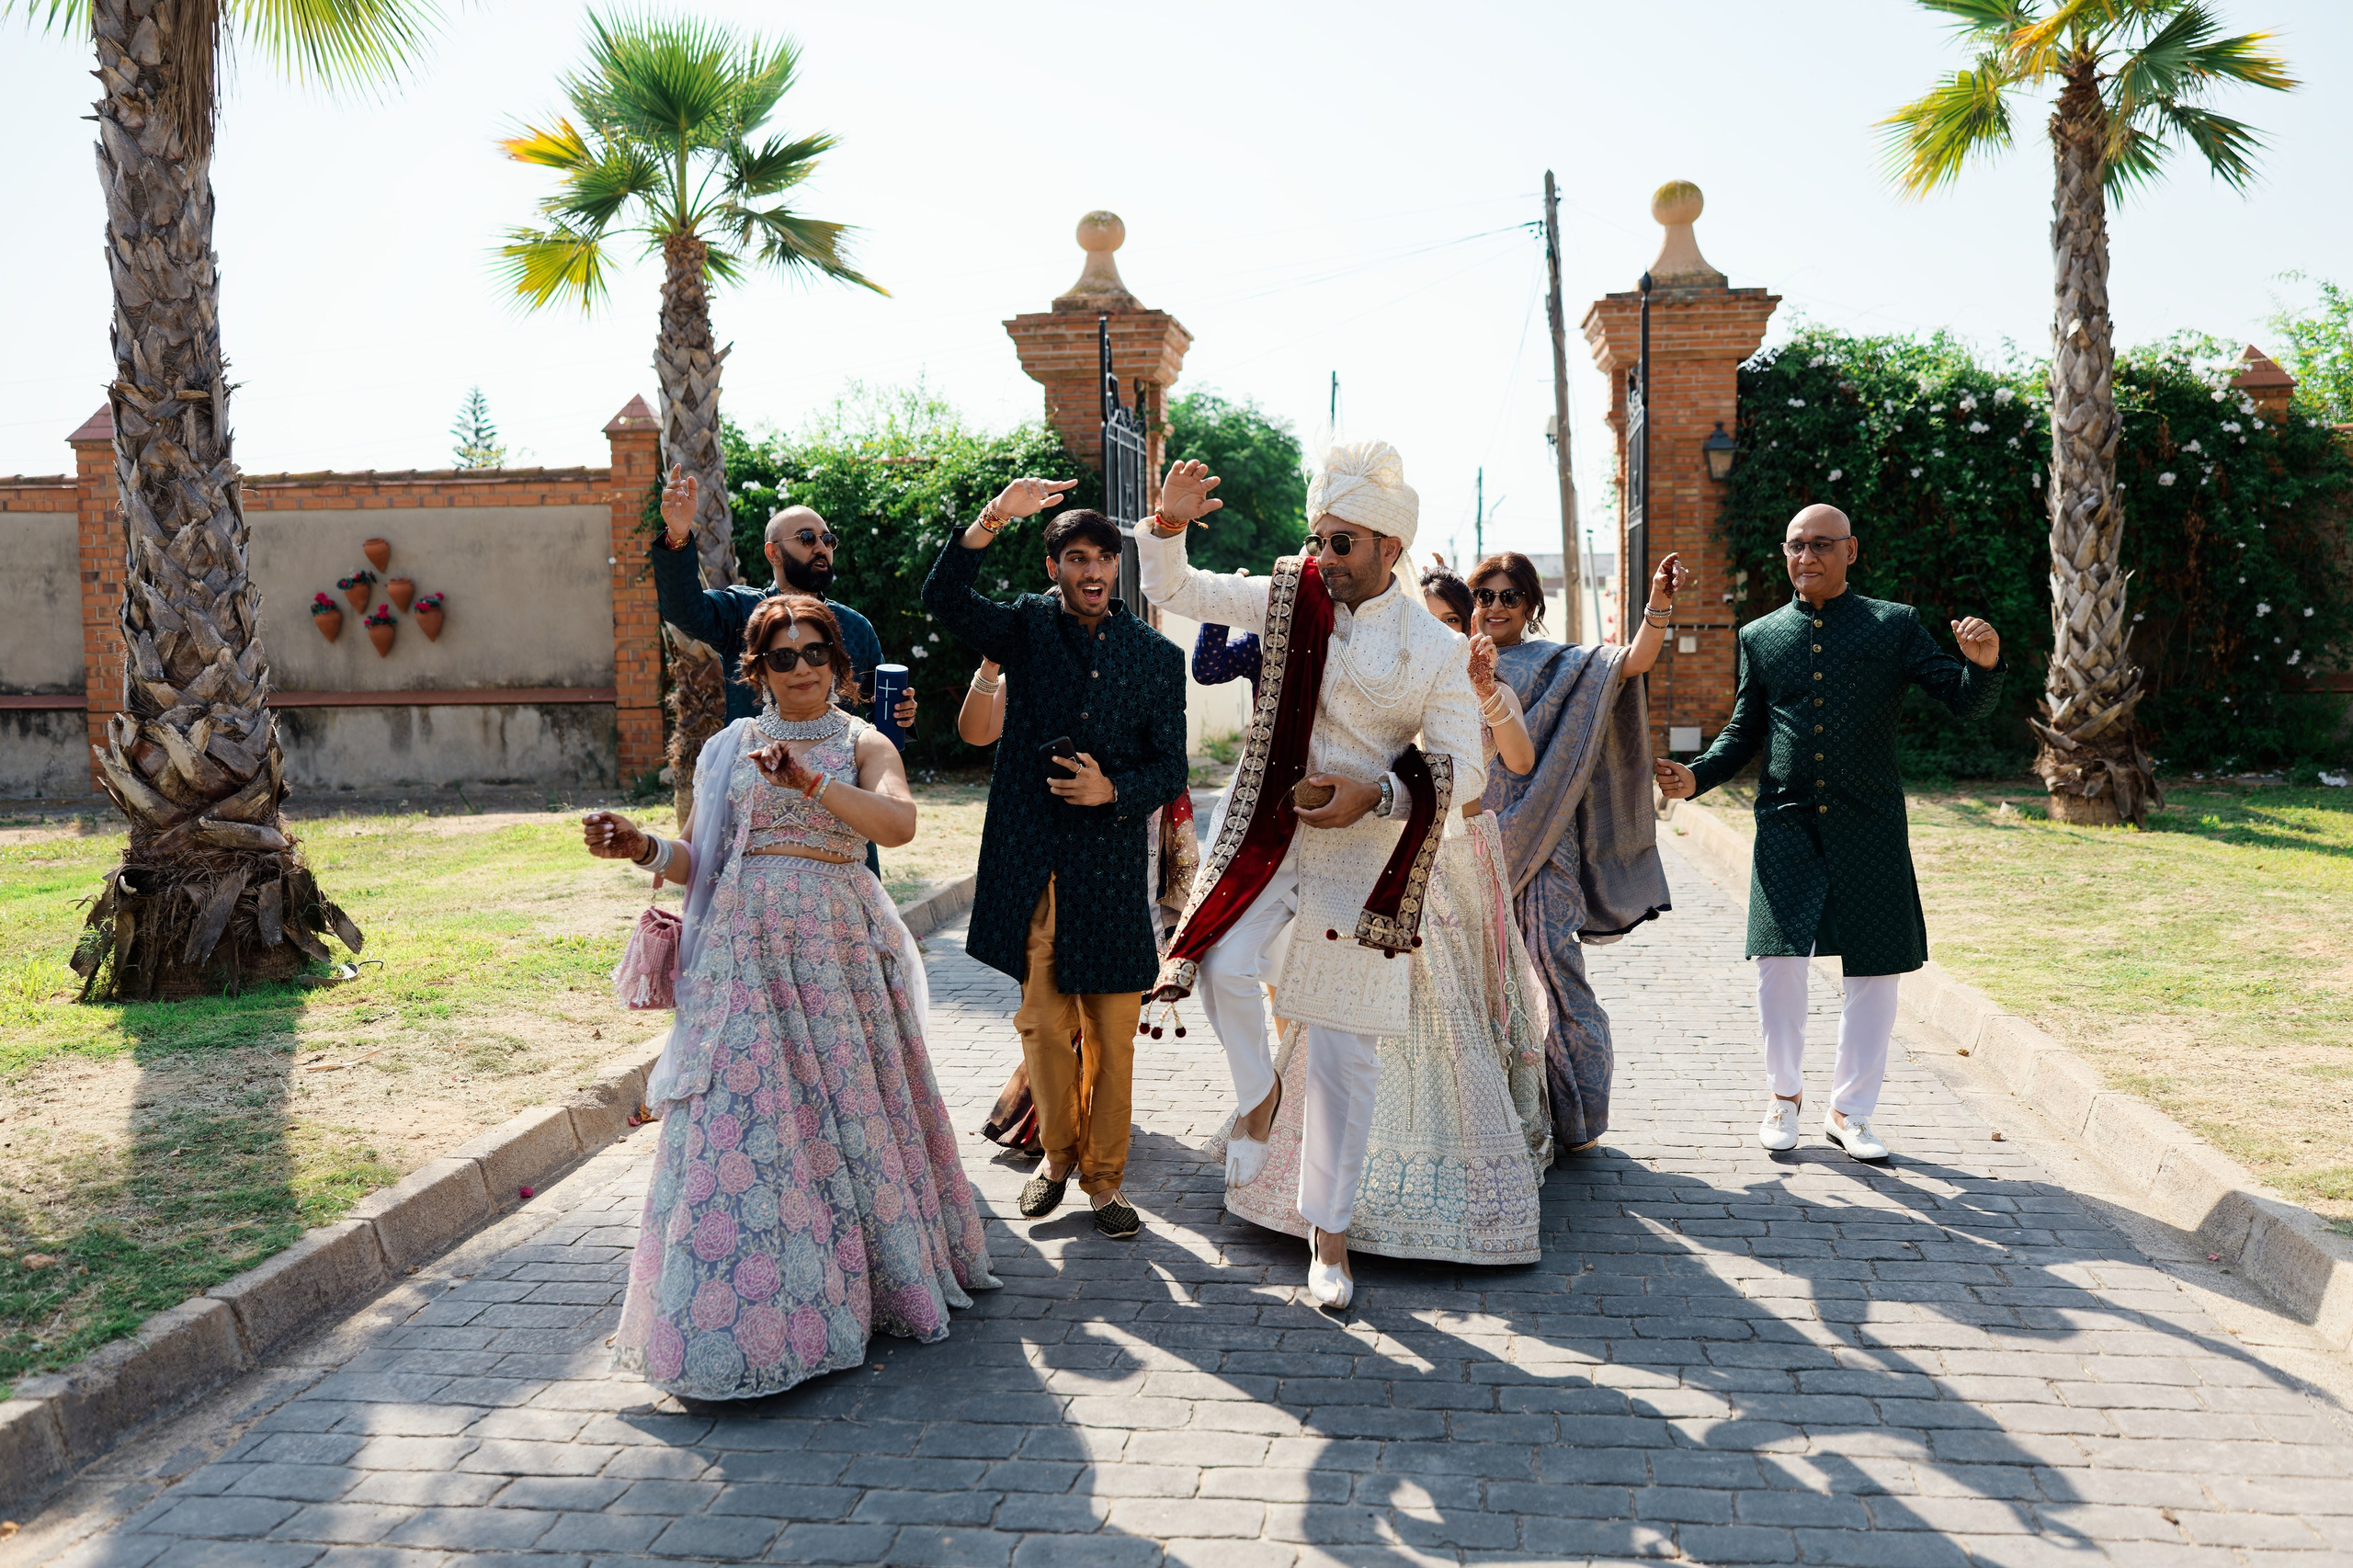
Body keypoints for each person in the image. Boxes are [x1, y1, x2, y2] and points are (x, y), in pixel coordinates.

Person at [579, 594, 996, 1401]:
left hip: (838, 951)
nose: (801, 669)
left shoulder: (862, 740)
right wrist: (641, 849)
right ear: (757, 669)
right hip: (746, 955)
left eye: (815, 655)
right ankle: (729, 1311)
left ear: (839, 665)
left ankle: (865, 1284)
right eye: (782, 657)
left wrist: (810, 783)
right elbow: (699, 858)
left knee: (844, 1109)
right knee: (738, 1117)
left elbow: (898, 825)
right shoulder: (730, 745)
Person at [1141, 441, 1484, 1309]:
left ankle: (1330, 1238)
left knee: (1341, 1056)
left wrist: (1376, 794)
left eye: (1342, 542)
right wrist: (1170, 524)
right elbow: (1180, 591)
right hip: (1266, 831)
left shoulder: (1433, 650)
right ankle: (1258, 1099)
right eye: (1318, 536)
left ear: (1389, 551)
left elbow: (1467, 773)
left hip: (1362, 860)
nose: (1321, 555)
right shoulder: (1293, 595)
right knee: (1218, 964)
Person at [1219, 567, 1555, 1264]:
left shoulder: (1472, 681)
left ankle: (1416, 1183)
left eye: (1451, 617)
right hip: (1384, 856)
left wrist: (1489, 695)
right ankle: (1319, 1190)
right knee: (1348, 1021)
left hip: (1454, 865)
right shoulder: (1393, 682)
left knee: (1450, 1018)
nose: (1431, 630)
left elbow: (1514, 761)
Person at [1656, 504, 2003, 1162]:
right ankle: (1782, 1098)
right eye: (1795, 546)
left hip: (1870, 824)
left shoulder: (1893, 624)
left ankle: (1850, 1112)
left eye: (1820, 545)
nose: (1806, 557)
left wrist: (1981, 667)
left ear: (1851, 552)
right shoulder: (1762, 635)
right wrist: (1695, 778)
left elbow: (1960, 700)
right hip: (1785, 822)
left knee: (1876, 972)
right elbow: (1744, 731)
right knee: (1777, 963)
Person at [921, 486, 1188, 1239]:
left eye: (1104, 557)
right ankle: (1058, 1158)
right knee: (1039, 1023)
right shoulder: (1025, 630)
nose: (1093, 569)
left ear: (1117, 567)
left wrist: (1114, 789)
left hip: (1108, 873)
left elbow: (1171, 766)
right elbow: (943, 593)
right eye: (1077, 557)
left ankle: (1105, 1183)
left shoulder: (1156, 659)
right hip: (1034, 866)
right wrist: (990, 517)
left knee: (1112, 1039)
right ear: (1055, 566)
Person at [1470, 547, 1688, 1153]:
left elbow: (1635, 661)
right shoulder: (1451, 662)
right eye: (1483, 595)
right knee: (1479, 983)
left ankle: (1580, 1118)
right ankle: (1502, 1115)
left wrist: (1659, 606)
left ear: (1531, 605)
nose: (1494, 607)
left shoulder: (1563, 663)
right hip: (1471, 843)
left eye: (1508, 596)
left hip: (1544, 839)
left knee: (1552, 965)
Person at [651, 468, 915, 869]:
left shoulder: (856, 627)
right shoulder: (743, 611)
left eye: (828, 540)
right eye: (807, 539)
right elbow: (684, 610)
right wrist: (677, 538)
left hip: (839, 819)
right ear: (773, 553)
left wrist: (901, 716)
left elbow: (879, 728)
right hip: (753, 809)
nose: (821, 548)